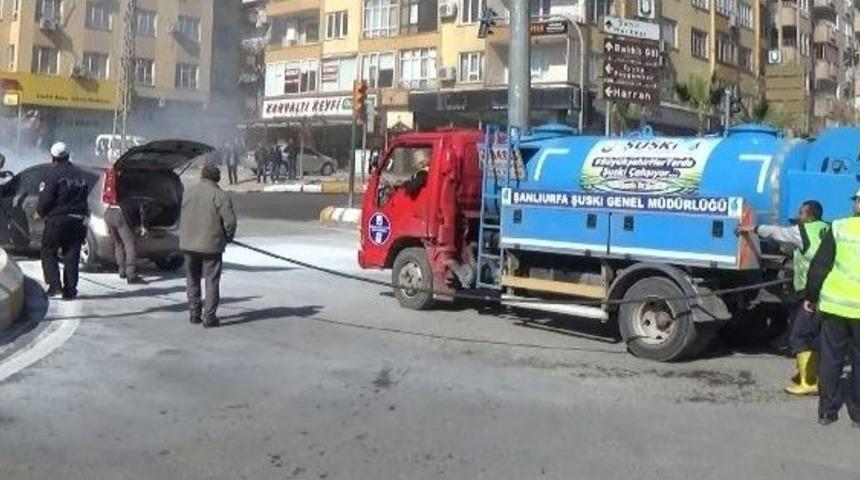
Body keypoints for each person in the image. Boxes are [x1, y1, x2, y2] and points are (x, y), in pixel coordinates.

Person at [739, 200, 828, 395]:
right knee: (815, 335)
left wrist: (752, 228)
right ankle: (810, 374)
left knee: (799, 337)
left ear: (810, 215)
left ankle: (809, 382)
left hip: (809, 292)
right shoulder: (827, 227)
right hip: (828, 292)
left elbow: (776, 232)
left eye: (801, 213)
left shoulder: (801, 231)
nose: (798, 216)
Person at [805, 189, 860, 426]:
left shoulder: (839, 227)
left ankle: (827, 411)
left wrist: (811, 296)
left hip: (835, 304)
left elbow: (820, 266)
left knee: (831, 358)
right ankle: (858, 414)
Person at [179, 165, 237, 328]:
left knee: (192, 278)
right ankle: (209, 317)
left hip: (188, 244)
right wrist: (228, 237)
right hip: (210, 244)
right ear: (217, 178)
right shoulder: (220, 195)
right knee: (211, 280)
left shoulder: (188, 192)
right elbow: (230, 222)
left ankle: (194, 313)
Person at [36, 142, 90, 300]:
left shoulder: (53, 175)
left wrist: (40, 213)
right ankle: (70, 290)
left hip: (58, 220)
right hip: (78, 221)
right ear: (68, 155)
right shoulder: (81, 175)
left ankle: (55, 287)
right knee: (72, 255)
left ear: (53, 158)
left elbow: (46, 198)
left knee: (48, 251)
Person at [105, 199, 147, 285]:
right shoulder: (144, 202)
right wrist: (143, 227)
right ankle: (131, 275)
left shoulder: (130, 197)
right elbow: (142, 213)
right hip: (120, 214)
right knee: (130, 244)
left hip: (109, 212)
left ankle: (122, 271)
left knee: (118, 243)